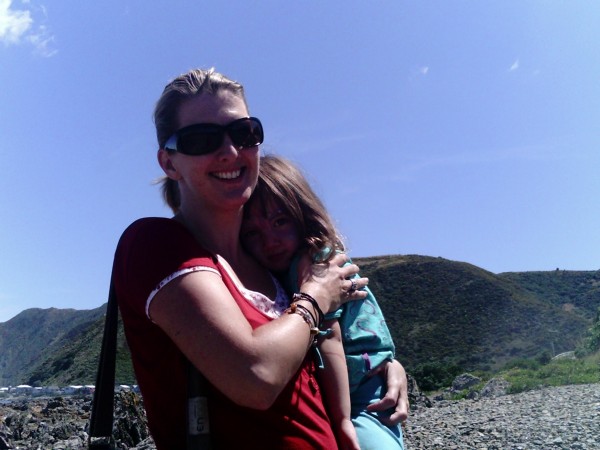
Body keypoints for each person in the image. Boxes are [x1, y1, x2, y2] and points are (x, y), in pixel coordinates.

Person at [113, 68, 371, 449]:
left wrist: (382, 368)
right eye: (201, 139)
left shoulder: (269, 262)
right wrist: (316, 296)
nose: (230, 152)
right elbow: (256, 377)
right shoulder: (155, 243)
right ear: (169, 163)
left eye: (244, 133)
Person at [240, 155, 406, 450]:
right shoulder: (275, 272)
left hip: (362, 392)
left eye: (280, 222)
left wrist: (342, 420)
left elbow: (330, 339)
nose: (270, 241)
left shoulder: (316, 263)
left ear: (302, 216)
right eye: (253, 232)